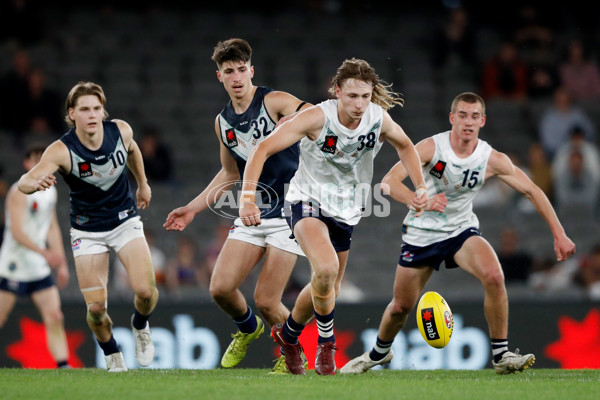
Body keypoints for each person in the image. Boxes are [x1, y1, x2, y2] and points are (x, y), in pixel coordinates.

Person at [339, 92, 576, 375]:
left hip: (461, 230)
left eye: (474, 116)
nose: (468, 121)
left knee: (494, 276)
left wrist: (559, 233)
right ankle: (378, 353)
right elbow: (388, 183)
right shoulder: (430, 148)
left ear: (483, 121)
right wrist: (419, 199)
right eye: (462, 115)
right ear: (452, 118)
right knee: (401, 306)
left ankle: (501, 355)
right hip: (421, 234)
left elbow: (531, 190)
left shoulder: (490, 158)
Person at [239, 57, 428, 375]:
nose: (359, 104)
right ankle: (325, 348)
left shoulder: (377, 119)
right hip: (306, 201)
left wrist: (420, 186)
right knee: (325, 269)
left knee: (327, 286)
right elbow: (262, 150)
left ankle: (288, 337)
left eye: (365, 96)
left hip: (347, 210)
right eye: (352, 96)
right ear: (337, 91)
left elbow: (406, 146)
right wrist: (246, 199)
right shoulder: (316, 118)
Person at [163, 38, 312, 374]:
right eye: (228, 71)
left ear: (251, 70)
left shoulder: (273, 101)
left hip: (290, 211)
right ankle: (248, 329)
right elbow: (230, 173)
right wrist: (193, 208)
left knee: (267, 300)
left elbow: (312, 114)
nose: (236, 77)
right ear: (219, 76)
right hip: (253, 209)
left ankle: (296, 355)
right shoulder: (222, 123)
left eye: (241, 69)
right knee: (220, 288)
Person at [17, 81, 159, 372]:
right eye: (85, 109)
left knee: (146, 292)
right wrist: (35, 183)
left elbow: (132, 151)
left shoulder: (120, 130)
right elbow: (25, 181)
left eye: (97, 108)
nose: (92, 115)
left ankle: (140, 325)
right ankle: (111, 353)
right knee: (96, 310)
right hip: (87, 230)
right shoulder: (61, 150)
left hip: (124, 220)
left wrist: (142, 184)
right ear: (72, 113)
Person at [0, 142, 70, 369]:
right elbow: (17, 232)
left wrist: (61, 263)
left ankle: (63, 366)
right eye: (35, 159)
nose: (40, 164)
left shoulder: (51, 191)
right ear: (27, 164)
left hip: (38, 267)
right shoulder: (18, 192)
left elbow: (51, 228)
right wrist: (45, 253)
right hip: (13, 266)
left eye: (43, 159)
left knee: (55, 316)